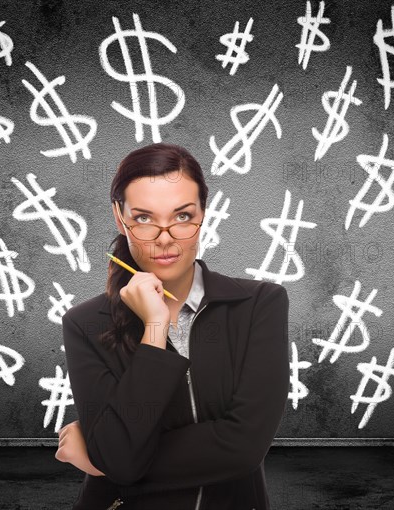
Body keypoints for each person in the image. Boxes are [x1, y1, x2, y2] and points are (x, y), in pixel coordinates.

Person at [56, 142, 289, 510]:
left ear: (203, 213)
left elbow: (242, 447)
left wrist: (102, 462)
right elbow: (120, 456)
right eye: (144, 218)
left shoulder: (259, 305)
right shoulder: (85, 324)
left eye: (182, 216)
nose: (165, 239)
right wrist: (154, 329)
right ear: (120, 217)